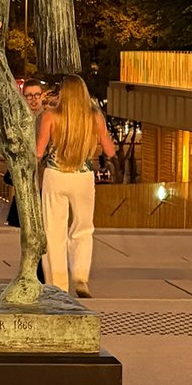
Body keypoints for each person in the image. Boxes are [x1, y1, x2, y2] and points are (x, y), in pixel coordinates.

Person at [35, 74, 116, 298]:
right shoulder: (94, 117)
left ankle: (58, 283)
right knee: (83, 228)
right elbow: (110, 151)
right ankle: (80, 277)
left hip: (55, 174)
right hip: (83, 176)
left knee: (53, 231)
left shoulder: (50, 116)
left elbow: (39, 151)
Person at [6, 78, 46, 228]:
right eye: (29, 95)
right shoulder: (19, 120)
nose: (34, 99)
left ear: (42, 96)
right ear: (23, 97)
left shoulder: (47, 119)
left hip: (42, 179)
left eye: (37, 95)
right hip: (25, 178)